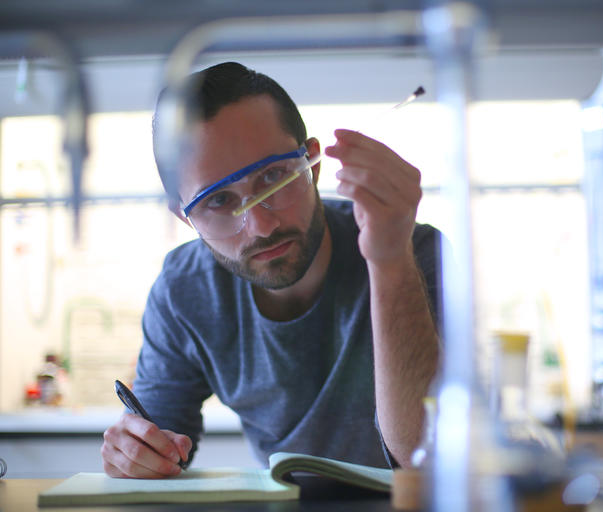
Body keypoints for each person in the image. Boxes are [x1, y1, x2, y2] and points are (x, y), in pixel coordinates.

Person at [100, 62, 441, 478]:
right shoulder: (183, 290)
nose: (262, 225)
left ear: (312, 166)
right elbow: (162, 446)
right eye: (219, 201)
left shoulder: (413, 251)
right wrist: (138, 453)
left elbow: (426, 453)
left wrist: (389, 260)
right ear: (187, 219)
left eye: (275, 177)